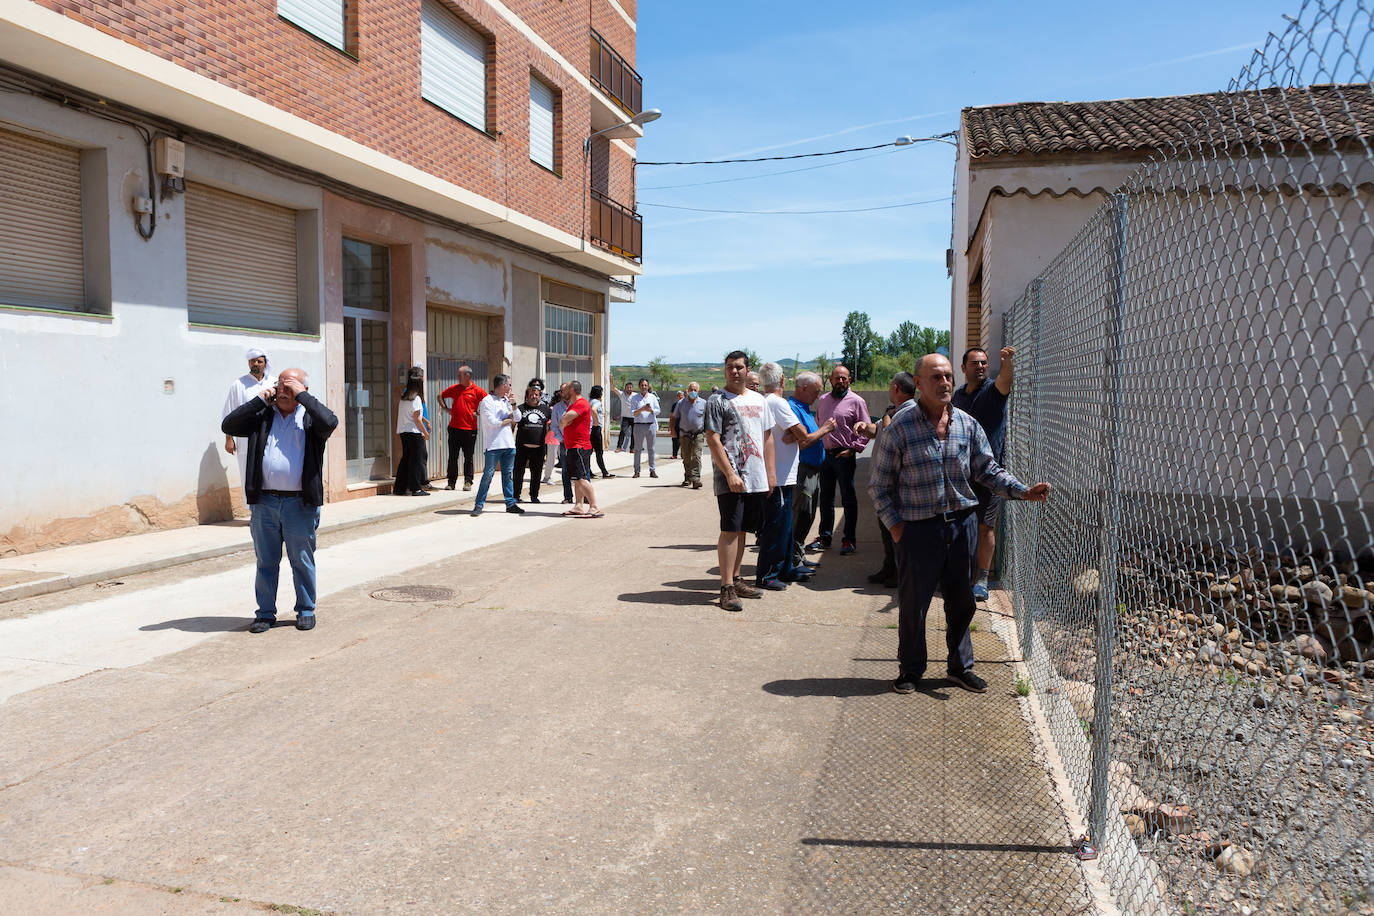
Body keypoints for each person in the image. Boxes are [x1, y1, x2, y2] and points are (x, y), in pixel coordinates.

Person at [868, 354, 1049, 694]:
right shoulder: (901, 428)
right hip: (918, 530)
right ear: (919, 383)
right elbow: (879, 486)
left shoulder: (967, 425)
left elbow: (987, 470)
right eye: (936, 377)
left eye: (949, 376)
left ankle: (960, 667)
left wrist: (1023, 491)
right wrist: (896, 528)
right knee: (913, 605)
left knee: (962, 601)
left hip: (962, 526)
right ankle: (910, 670)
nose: (945, 383)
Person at [221, 368, 338, 633]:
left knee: (302, 560)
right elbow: (228, 425)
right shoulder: (262, 416)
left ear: (303, 390)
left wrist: (302, 396)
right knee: (266, 561)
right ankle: (264, 613)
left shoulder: (310, 418)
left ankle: (306, 609)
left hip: (300, 504)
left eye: (290, 386)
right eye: (280, 385)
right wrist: (259, 401)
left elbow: (330, 422)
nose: (283, 391)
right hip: (265, 504)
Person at [705, 351, 774, 612]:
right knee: (730, 530)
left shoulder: (759, 400)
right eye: (729, 367)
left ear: (747, 370)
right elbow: (713, 439)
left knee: (744, 529)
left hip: (755, 478)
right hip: (731, 478)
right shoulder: (717, 400)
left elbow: (767, 437)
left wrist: (770, 474)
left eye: (739, 367)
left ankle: (736, 578)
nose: (734, 371)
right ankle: (726, 588)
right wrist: (730, 474)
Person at [952, 346, 1016, 602]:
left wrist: (1007, 364)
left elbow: (1005, 381)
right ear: (963, 367)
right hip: (961, 472)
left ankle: (981, 578)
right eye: (975, 362)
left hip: (989, 474)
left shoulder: (992, 391)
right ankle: (961, 573)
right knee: (960, 524)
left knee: (985, 526)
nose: (980, 366)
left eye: (984, 363)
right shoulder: (958, 397)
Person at [855, 372, 917, 587]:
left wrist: (887, 417)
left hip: (897, 484)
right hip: (886, 484)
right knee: (885, 528)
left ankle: (899, 574)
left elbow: (890, 434)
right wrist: (866, 427)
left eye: (890, 386)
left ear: (896, 389)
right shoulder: (894, 411)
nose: (889, 390)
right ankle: (889, 568)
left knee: (895, 530)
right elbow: (877, 430)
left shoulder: (908, 413)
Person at [810, 364, 871, 556]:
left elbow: (868, 429)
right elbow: (819, 424)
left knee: (848, 499)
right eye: (837, 378)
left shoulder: (857, 401)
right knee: (825, 499)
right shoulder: (823, 400)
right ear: (831, 380)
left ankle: (848, 540)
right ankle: (825, 537)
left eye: (844, 378)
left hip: (845, 457)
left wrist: (854, 449)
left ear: (849, 380)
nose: (841, 381)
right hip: (826, 456)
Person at [755, 362, 804, 591]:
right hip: (780, 475)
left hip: (782, 474)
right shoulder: (777, 402)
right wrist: (797, 434)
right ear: (782, 380)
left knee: (784, 527)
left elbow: (794, 434)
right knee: (776, 527)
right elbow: (802, 432)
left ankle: (784, 568)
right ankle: (768, 574)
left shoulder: (766, 402)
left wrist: (794, 435)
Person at [785, 372, 836, 581]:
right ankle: (793, 560)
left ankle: (798, 555)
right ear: (803, 388)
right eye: (815, 392)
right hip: (803, 470)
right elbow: (802, 442)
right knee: (801, 513)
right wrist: (824, 429)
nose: (818, 396)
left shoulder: (804, 408)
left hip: (813, 470)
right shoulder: (793, 409)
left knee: (808, 514)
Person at [221, 347, 273, 492]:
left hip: (270, 435)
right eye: (252, 361)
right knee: (248, 473)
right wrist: (228, 439)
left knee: (269, 471)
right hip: (246, 438)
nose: (255, 364)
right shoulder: (239, 384)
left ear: (265, 364)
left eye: (259, 361)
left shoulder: (274, 383)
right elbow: (229, 412)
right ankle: (252, 510)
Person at [471, 374, 523, 517]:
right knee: (488, 475)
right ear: (503, 385)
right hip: (493, 445)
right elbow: (492, 422)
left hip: (508, 444)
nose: (510, 388)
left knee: (508, 475)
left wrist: (513, 404)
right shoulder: (486, 401)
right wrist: (507, 419)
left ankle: (510, 503)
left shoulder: (507, 400)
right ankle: (479, 504)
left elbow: (518, 418)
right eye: (509, 385)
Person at [439, 366, 487, 491]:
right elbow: (440, 395)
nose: (457, 377)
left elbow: (489, 402)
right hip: (454, 428)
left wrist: (480, 412)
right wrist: (445, 408)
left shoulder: (477, 390)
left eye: (459, 375)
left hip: (470, 430)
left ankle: (468, 482)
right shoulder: (455, 388)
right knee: (453, 457)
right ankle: (451, 482)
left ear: (467, 376)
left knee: (468, 457)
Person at [559, 380, 602, 518]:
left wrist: (566, 421)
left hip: (579, 447)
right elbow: (563, 421)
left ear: (571, 390)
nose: (562, 393)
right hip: (573, 446)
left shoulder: (581, 403)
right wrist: (565, 421)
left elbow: (564, 419)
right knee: (577, 479)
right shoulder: (573, 405)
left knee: (582, 478)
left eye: (565, 390)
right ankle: (578, 506)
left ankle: (594, 506)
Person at [393, 366, 430, 496]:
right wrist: (425, 433)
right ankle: (416, 488)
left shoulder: (404, 398)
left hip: (404, 432)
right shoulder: (417, 399)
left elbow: (413, 415)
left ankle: (399, 488)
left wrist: (424, 421)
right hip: (414, 433)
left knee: (405, 460)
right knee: (416, 461)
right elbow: (416, 419)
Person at [513, 384, 552, 503]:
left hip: (539, 447)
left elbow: (551, 425)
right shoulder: (520, 408)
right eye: (531, 395)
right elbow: (513, 425)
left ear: (540, 396)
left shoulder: (546, 410)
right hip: (522, 447)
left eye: (536, 395)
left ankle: (534, 495)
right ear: (527, 397)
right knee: (518, 473)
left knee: (536, 473)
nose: (534, 397)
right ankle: (516, 495)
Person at [672, 381, 707, 489]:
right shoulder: (681, 403)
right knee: (686, 458)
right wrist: (672, 430)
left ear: (698, 391)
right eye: (691, 389)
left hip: (698, 434)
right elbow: (673, 417)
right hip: (684, 434)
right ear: (687, 391)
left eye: (695, 390)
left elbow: (708, 418)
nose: (692, 392)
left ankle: (696, 479)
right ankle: (687, 478)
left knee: (696, 456)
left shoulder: (704, 403)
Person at [629, 377, 660, 479]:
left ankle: (652, 470)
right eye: (642, 385)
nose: (644, 387)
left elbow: (658, 410)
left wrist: (651, 410)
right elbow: (633, 412)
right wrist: (642, 409)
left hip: (650, 425)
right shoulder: (634, 398)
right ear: (639, 386)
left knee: (651, 449)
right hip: (638, 426)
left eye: (645, 385)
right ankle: (637, 471)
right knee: (637, 449)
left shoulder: (652, 397)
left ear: (648, 386)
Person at [550, 384, 575, 503]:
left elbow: (589, 423)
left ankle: (585, 496)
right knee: (565, 470)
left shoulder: (578, 404)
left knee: (583, 469)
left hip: (578, 442)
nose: (563, 393)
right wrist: (561, 439)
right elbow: (554, 426)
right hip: (564, 443)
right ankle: (568, 497)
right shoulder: (557, 408)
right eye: (562, 391)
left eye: (565, 390)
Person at [588, 385, 613, 478]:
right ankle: (604, 472)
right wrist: (596, 421)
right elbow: (593, 410)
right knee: (599, 452)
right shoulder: (597, 402)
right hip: (596, 428)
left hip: (589, 429)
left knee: (589, 452)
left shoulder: (589, 401)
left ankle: (588, 471)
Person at [615, 382, 635, 452]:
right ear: (625, 388)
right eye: (627, 387)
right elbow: (614, 389)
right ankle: (619, 447)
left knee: (634, 433)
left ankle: (632, 448)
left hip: (634, 417)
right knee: (622, 431)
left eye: (630, 387)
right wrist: (610, 379)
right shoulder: (622, 394)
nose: (629, 389)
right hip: (625, 417)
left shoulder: (636, 395)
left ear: (632, 388)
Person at [669, 390, 685, 459]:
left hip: (684, 425)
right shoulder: (674, 405)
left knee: (683, 440)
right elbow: (671, 415)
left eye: (681, 395)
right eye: (679, 396)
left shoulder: (686, 404)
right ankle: (674, 454)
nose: (680, 397)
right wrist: (670, 426)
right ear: (677, 397)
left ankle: (683, 454)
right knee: (675, 440)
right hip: (676, 425)